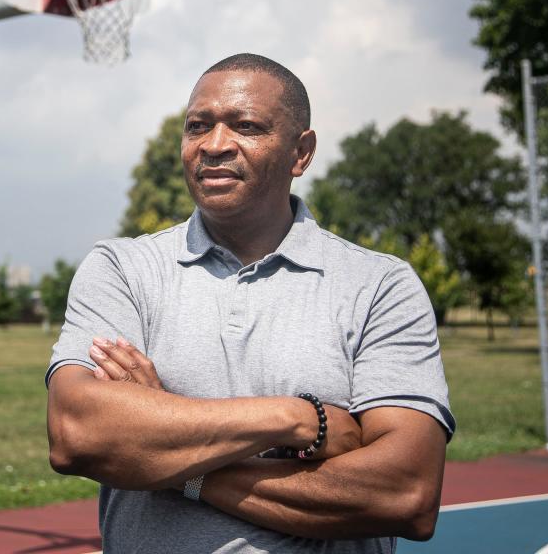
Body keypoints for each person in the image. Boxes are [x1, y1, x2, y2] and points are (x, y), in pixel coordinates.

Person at [45, 53, 455, 553]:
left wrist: (170, 459)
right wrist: (299, 418)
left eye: (247, 126)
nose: (215, 145)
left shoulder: (379, 286)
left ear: (300, 154)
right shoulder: (122, 269)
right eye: (198, 126)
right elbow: (77, 432)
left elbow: (405, 494)